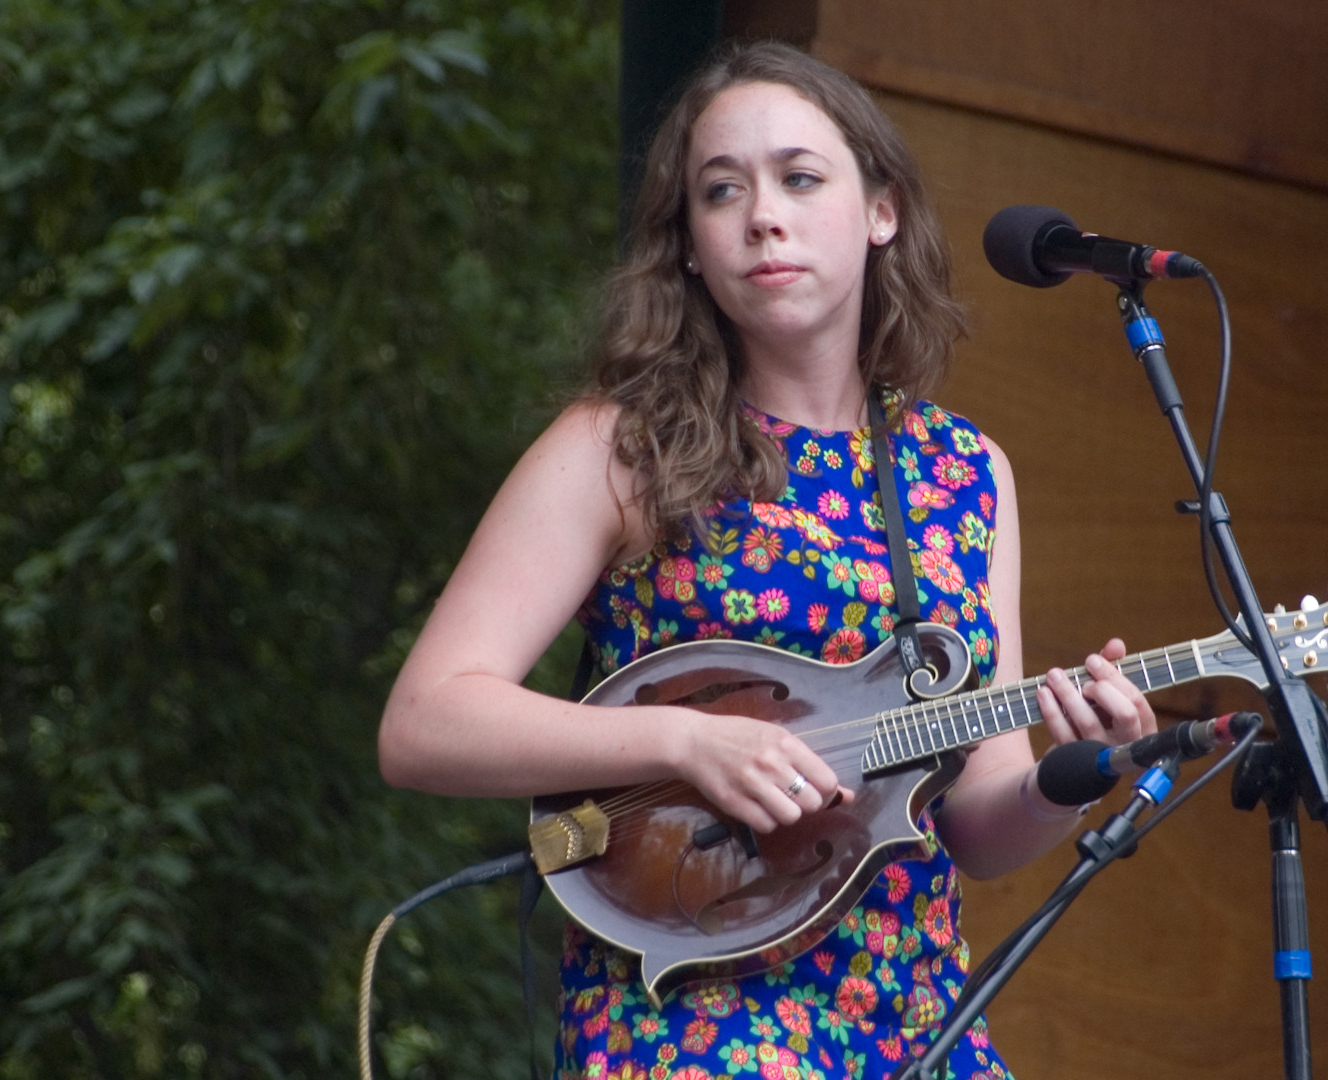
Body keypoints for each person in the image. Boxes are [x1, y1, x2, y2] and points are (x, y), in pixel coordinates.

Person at [377, 42, 1156, 1080]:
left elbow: (978, 822)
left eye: (799, 177)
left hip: (914, 1016)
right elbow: (426, 722)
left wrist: (1074, 776)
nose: (762, 216)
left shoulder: (966, 471)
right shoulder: (621, 446)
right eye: (720, 191)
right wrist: (688, 743)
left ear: (881, 211)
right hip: (689, 1021)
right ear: (691, 246)